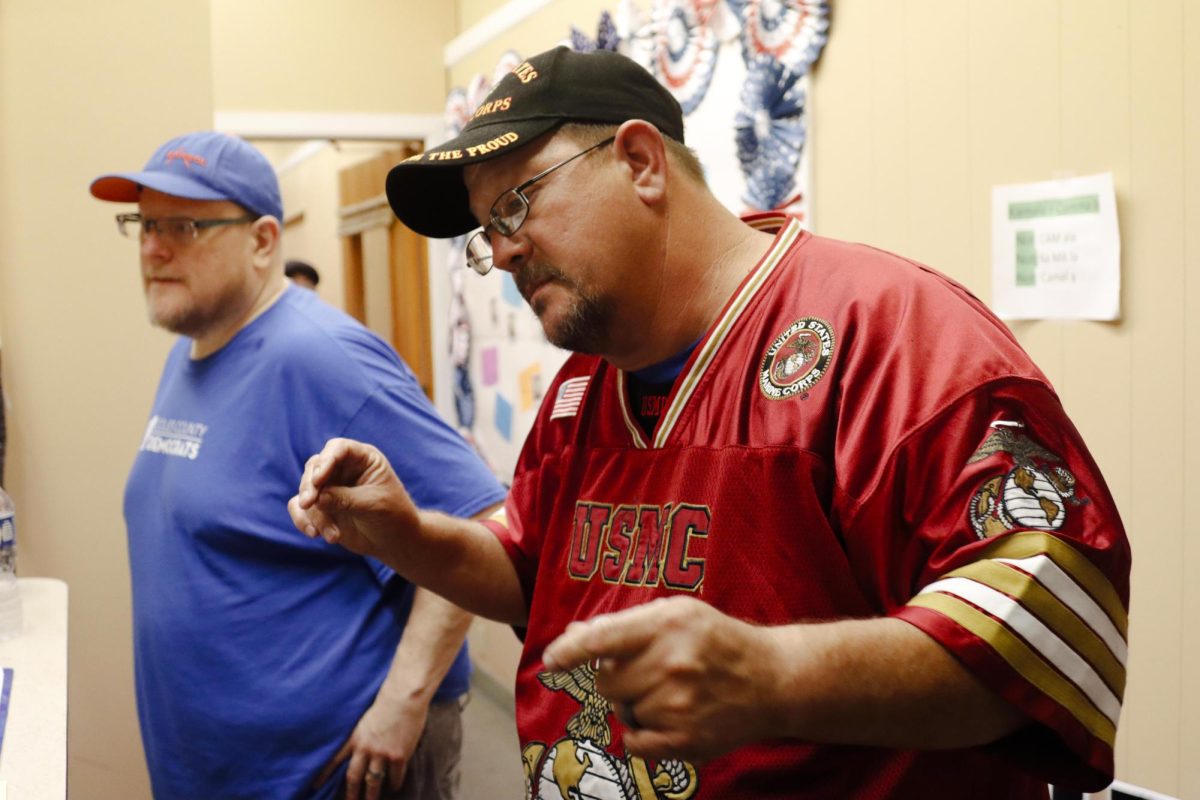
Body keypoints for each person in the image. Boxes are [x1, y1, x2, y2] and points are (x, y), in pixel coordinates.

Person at [291, 47, 1131, 799]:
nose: (501, 251)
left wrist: (774, 676)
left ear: (640, 161)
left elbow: (1051, 621)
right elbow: (529, 568)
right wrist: (403, 535)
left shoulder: (889, 332)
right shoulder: (585, 388)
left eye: (514, 205)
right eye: (486, 232)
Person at [90, 131, 506, 800]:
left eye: (183, 225)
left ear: (262, 241)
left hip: (332, 775)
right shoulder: (190, 353)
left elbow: (482, 520)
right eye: (143, 223)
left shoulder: (321, 357)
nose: (152, 246)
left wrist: (403, 701)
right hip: (216, 772)